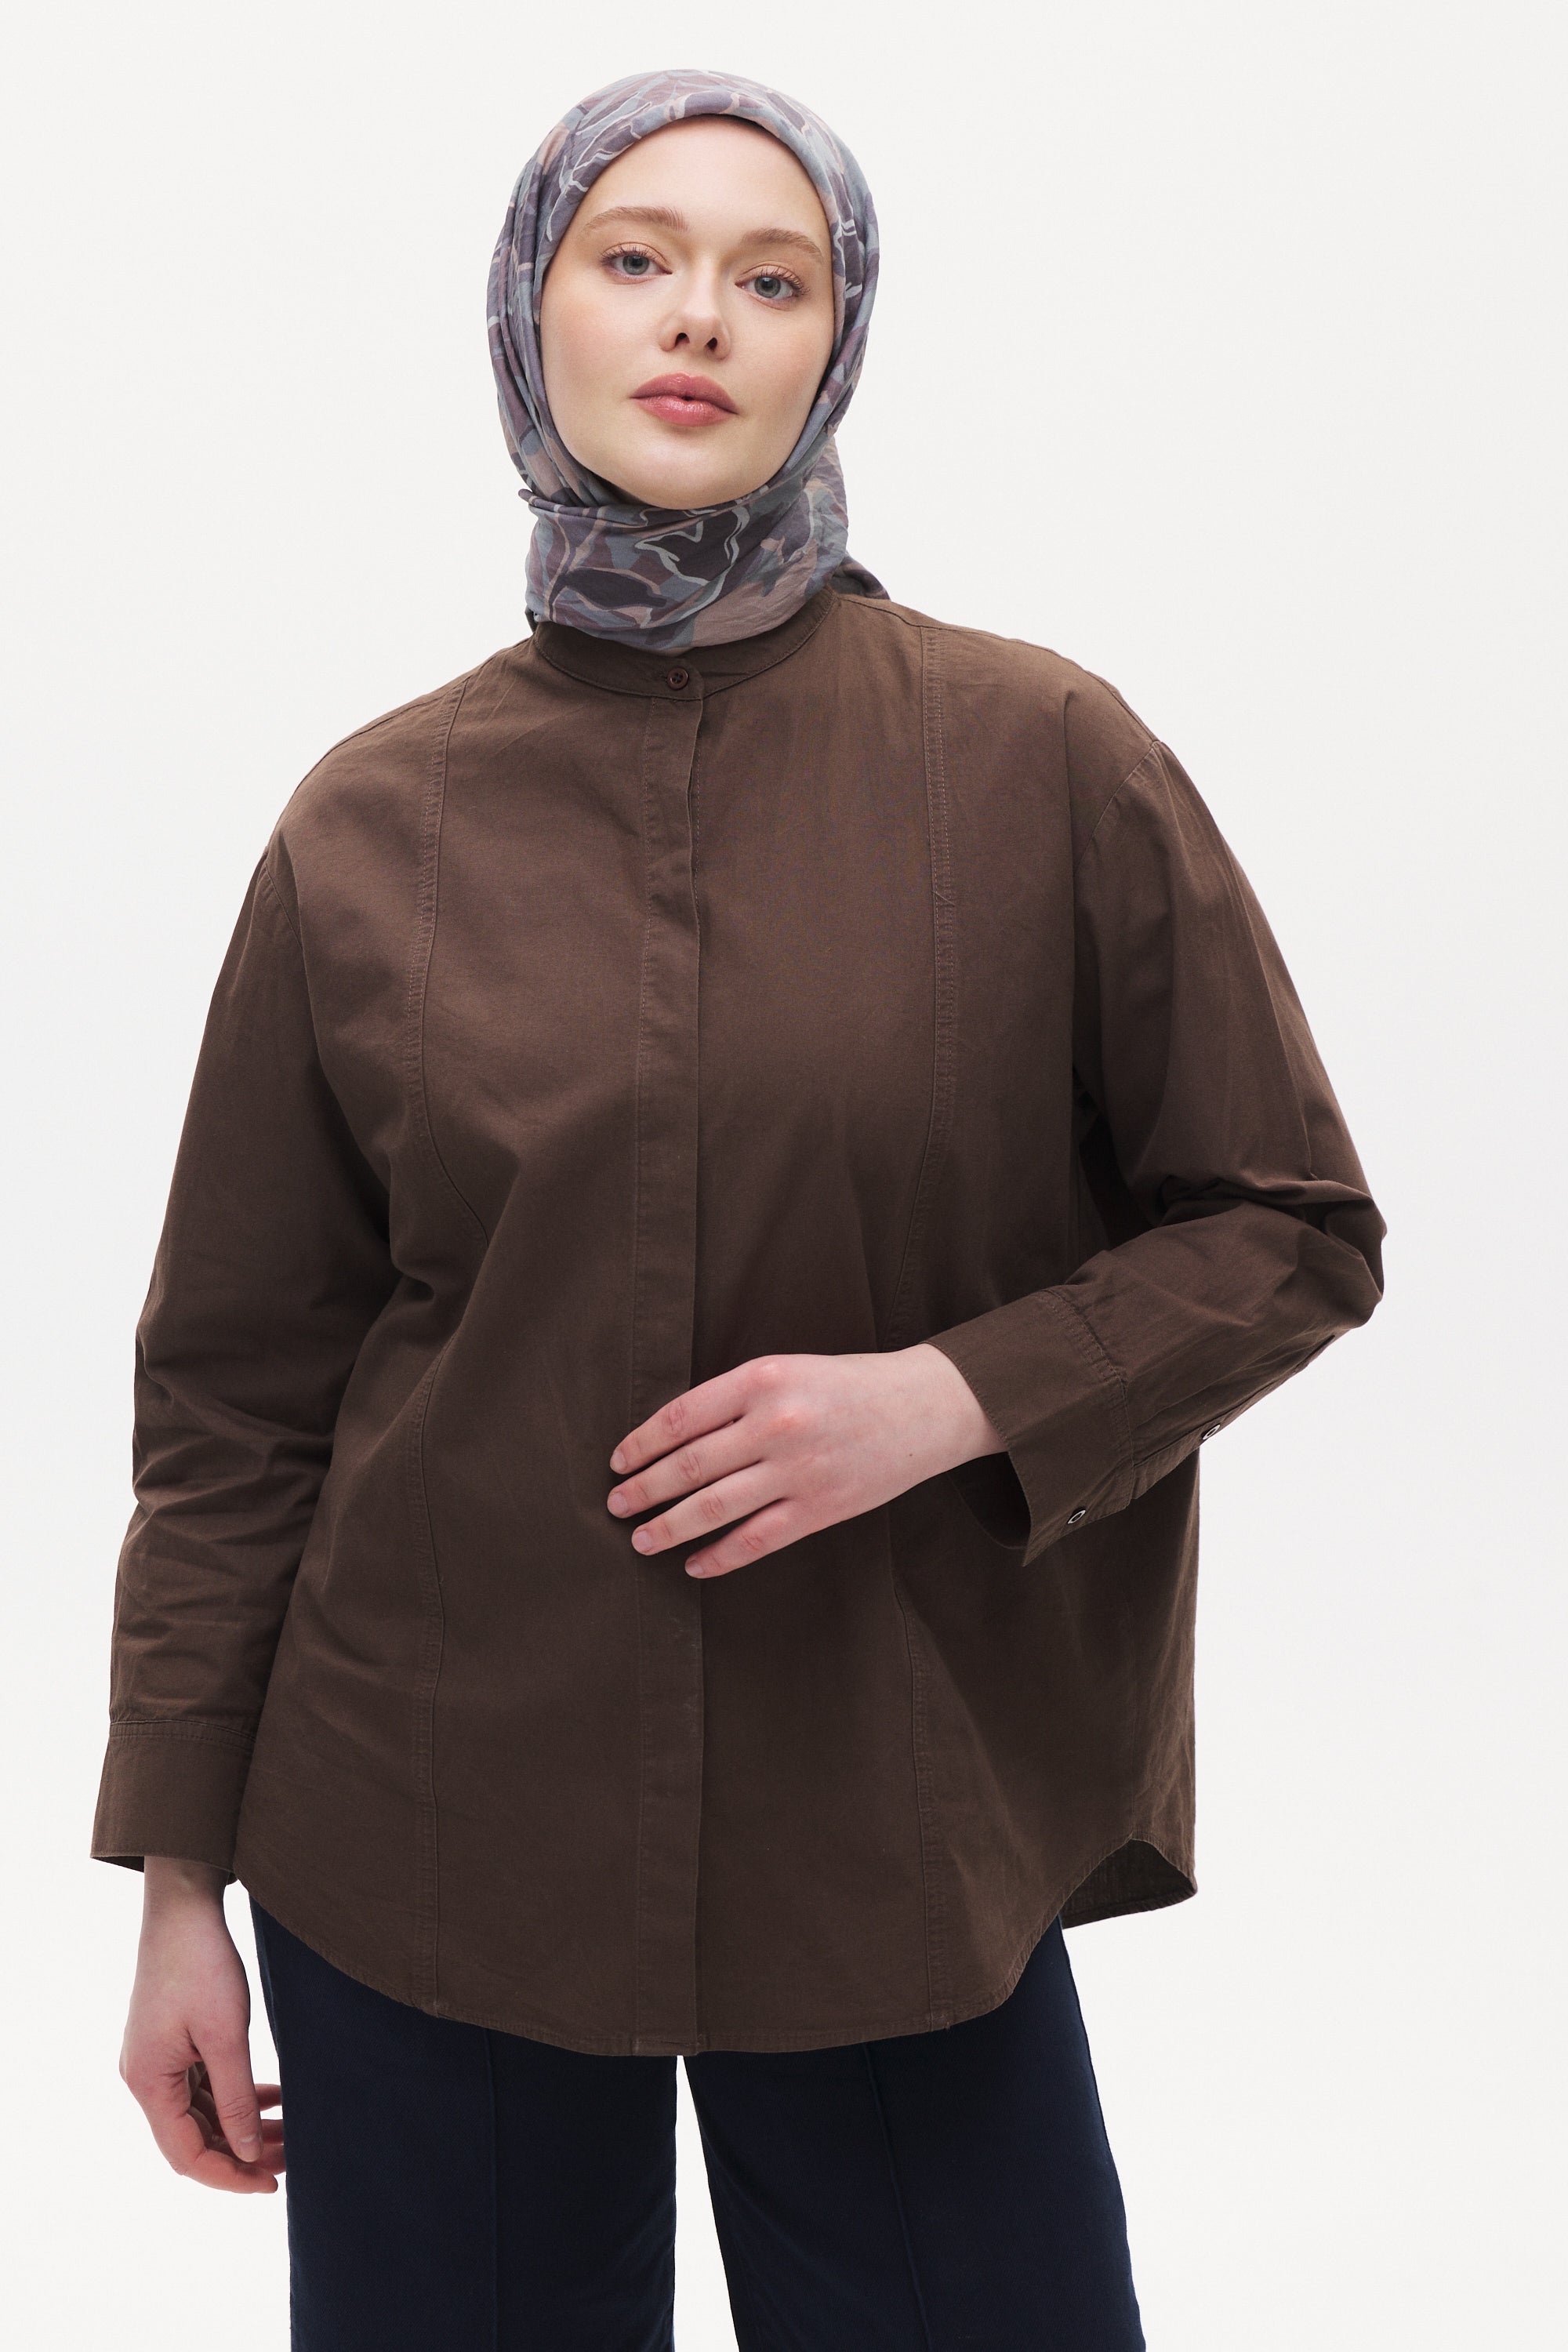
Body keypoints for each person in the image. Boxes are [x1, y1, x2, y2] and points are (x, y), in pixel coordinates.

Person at [96, 67, 1385, 2352]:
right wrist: (179, 1883)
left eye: (771, 278)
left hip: (896, 1819)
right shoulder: (369, 824)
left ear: (835, 343)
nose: (699, 315)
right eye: (637, 257)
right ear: (535, 310)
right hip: (421, 1835)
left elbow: (1287, 1224)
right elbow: (239, 1398)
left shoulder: (1042, 757)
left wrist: (951, 1399)